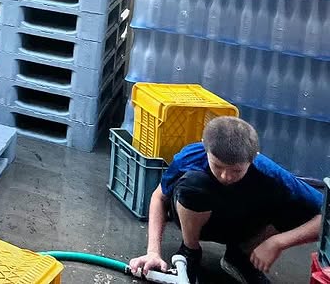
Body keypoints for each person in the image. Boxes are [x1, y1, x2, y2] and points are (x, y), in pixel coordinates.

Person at [128, 116, 322, 284]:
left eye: (236, 170)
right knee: (193, 185)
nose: (226, 176)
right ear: (205, 148)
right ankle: (190, 250)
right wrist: (153, 252)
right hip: (197, 218)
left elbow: (325, 212)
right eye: (218, 166)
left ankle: (240, 257)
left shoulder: (269, 171)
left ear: (254, 157)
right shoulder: (190, 157)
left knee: (297, 205)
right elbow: (159, 197)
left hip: (243, 224)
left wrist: (278, 242)